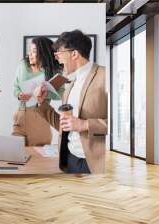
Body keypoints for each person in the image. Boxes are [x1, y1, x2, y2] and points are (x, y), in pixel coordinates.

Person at [34, 30, 107, 174]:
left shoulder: (105, 75)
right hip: (70, 159)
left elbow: (124, 125)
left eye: (59, 54)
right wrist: (41, 103)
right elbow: (63, 125)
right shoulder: (70, 85)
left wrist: (85, 124)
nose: (57, 59)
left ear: (74, 54)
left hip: (94, 162)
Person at [12, 37, 64, 146]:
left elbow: (61, 94)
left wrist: (44, 92)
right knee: (15, 155)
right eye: (30, 51)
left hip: (39, 115)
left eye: (34, 51)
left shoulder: (53, 71)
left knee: (39, 157)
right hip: (20, 114)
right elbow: (15, 86)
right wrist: (19, 94)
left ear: (43, 53)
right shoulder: (23, 65)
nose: (30, 54)